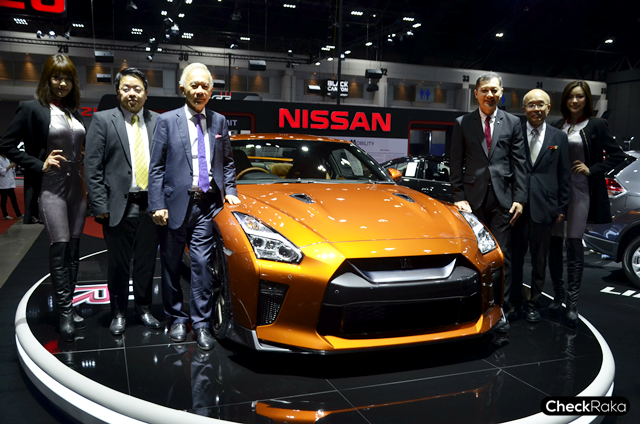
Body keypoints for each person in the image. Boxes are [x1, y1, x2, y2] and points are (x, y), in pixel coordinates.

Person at [148, 63, 240, 350]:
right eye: (194, 85)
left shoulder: (219, 121)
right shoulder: (167, 121)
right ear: (182, 88)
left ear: (211, 90)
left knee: (201, 265)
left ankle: (201, 324)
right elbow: (156, 167)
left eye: (205, 86)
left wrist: (231, 190)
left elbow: (228, 162)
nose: (200, 91)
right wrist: (157, 204)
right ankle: (176, 317)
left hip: (206, 206)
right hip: (173, 206)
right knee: (171, 265)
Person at [0, 54, 86, 341]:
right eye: (56, 77)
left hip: (77, 190)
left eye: (67, 79)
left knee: (74, 250)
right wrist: (38, 163)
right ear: (47, 79)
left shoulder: (74, 113)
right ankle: (64, 314)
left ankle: (69, 305)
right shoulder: (31, 108)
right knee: (60, 247)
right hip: (52, 189)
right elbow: (6, 144)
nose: (62, 83)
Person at [85, 68, 162, 336]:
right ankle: (118, 312)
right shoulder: (103, 120)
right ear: (118, 92)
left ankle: (143, 308)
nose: (132, 93)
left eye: (137, 89)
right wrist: (99, 205)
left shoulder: (158, 121)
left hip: (151, 206)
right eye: (126, 88)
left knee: (146, 263)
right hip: (118, 206)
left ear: (146, 93)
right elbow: (92, 165)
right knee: (118, 265)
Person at [450, 71, 528, 333]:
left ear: (501, 92)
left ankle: (500, 310)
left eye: (494, 90)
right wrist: (458, 196)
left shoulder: (513, 122)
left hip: (504, 201)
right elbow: (456, 163)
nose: (489, 94)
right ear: (476, 93)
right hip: (471, 202)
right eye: (484, 90)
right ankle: (475, 309)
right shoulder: (463, 123)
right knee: (474, 256)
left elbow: (519, 163)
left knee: (501, 256)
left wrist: (520, 198)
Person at [547, 81, 625, 326]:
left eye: (579, 96)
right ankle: (557, 296)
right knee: (554, 243)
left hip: (580, 191)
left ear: (587, 99)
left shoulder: (597, 125)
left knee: (573, 243)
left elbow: (618, 156)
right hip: (556, 192)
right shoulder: (557, 125)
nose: (574, 101)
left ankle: (572, 304)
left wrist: (592, 169)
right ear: (565, 100)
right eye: (571, 96)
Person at [510, 89, 571, 323]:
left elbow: (564, 174)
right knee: (515, 259)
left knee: (539, 260)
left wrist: (562, 208)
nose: (536, 109)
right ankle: (514, 303)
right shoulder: (514, 132)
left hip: (546, 208)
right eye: (531, 105)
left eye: (540, 105)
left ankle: (534, 304)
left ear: (548, 107)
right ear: (524, 108)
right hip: (517, 207)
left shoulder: (559, 137)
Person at [0, 154, 22, 220]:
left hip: (9, 183)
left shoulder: (7, 160)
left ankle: (18, 214)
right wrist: (9, 167)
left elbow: (10, 171)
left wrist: (11, 167)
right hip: (3, 184)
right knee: (4, 200)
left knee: (14, 199)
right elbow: (1, 171)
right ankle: (5, 215)